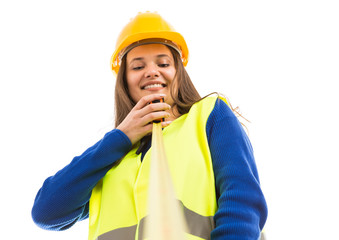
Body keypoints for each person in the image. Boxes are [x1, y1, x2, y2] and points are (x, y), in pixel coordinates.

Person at [31, 12, 267, 240]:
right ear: (124, 80)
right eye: (137, 66)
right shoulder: (113, 158)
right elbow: (46, 211)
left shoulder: (210, 116)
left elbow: (242, 201)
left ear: (178, 72)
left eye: (163, 63)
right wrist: (121, 136)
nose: (152, 72)